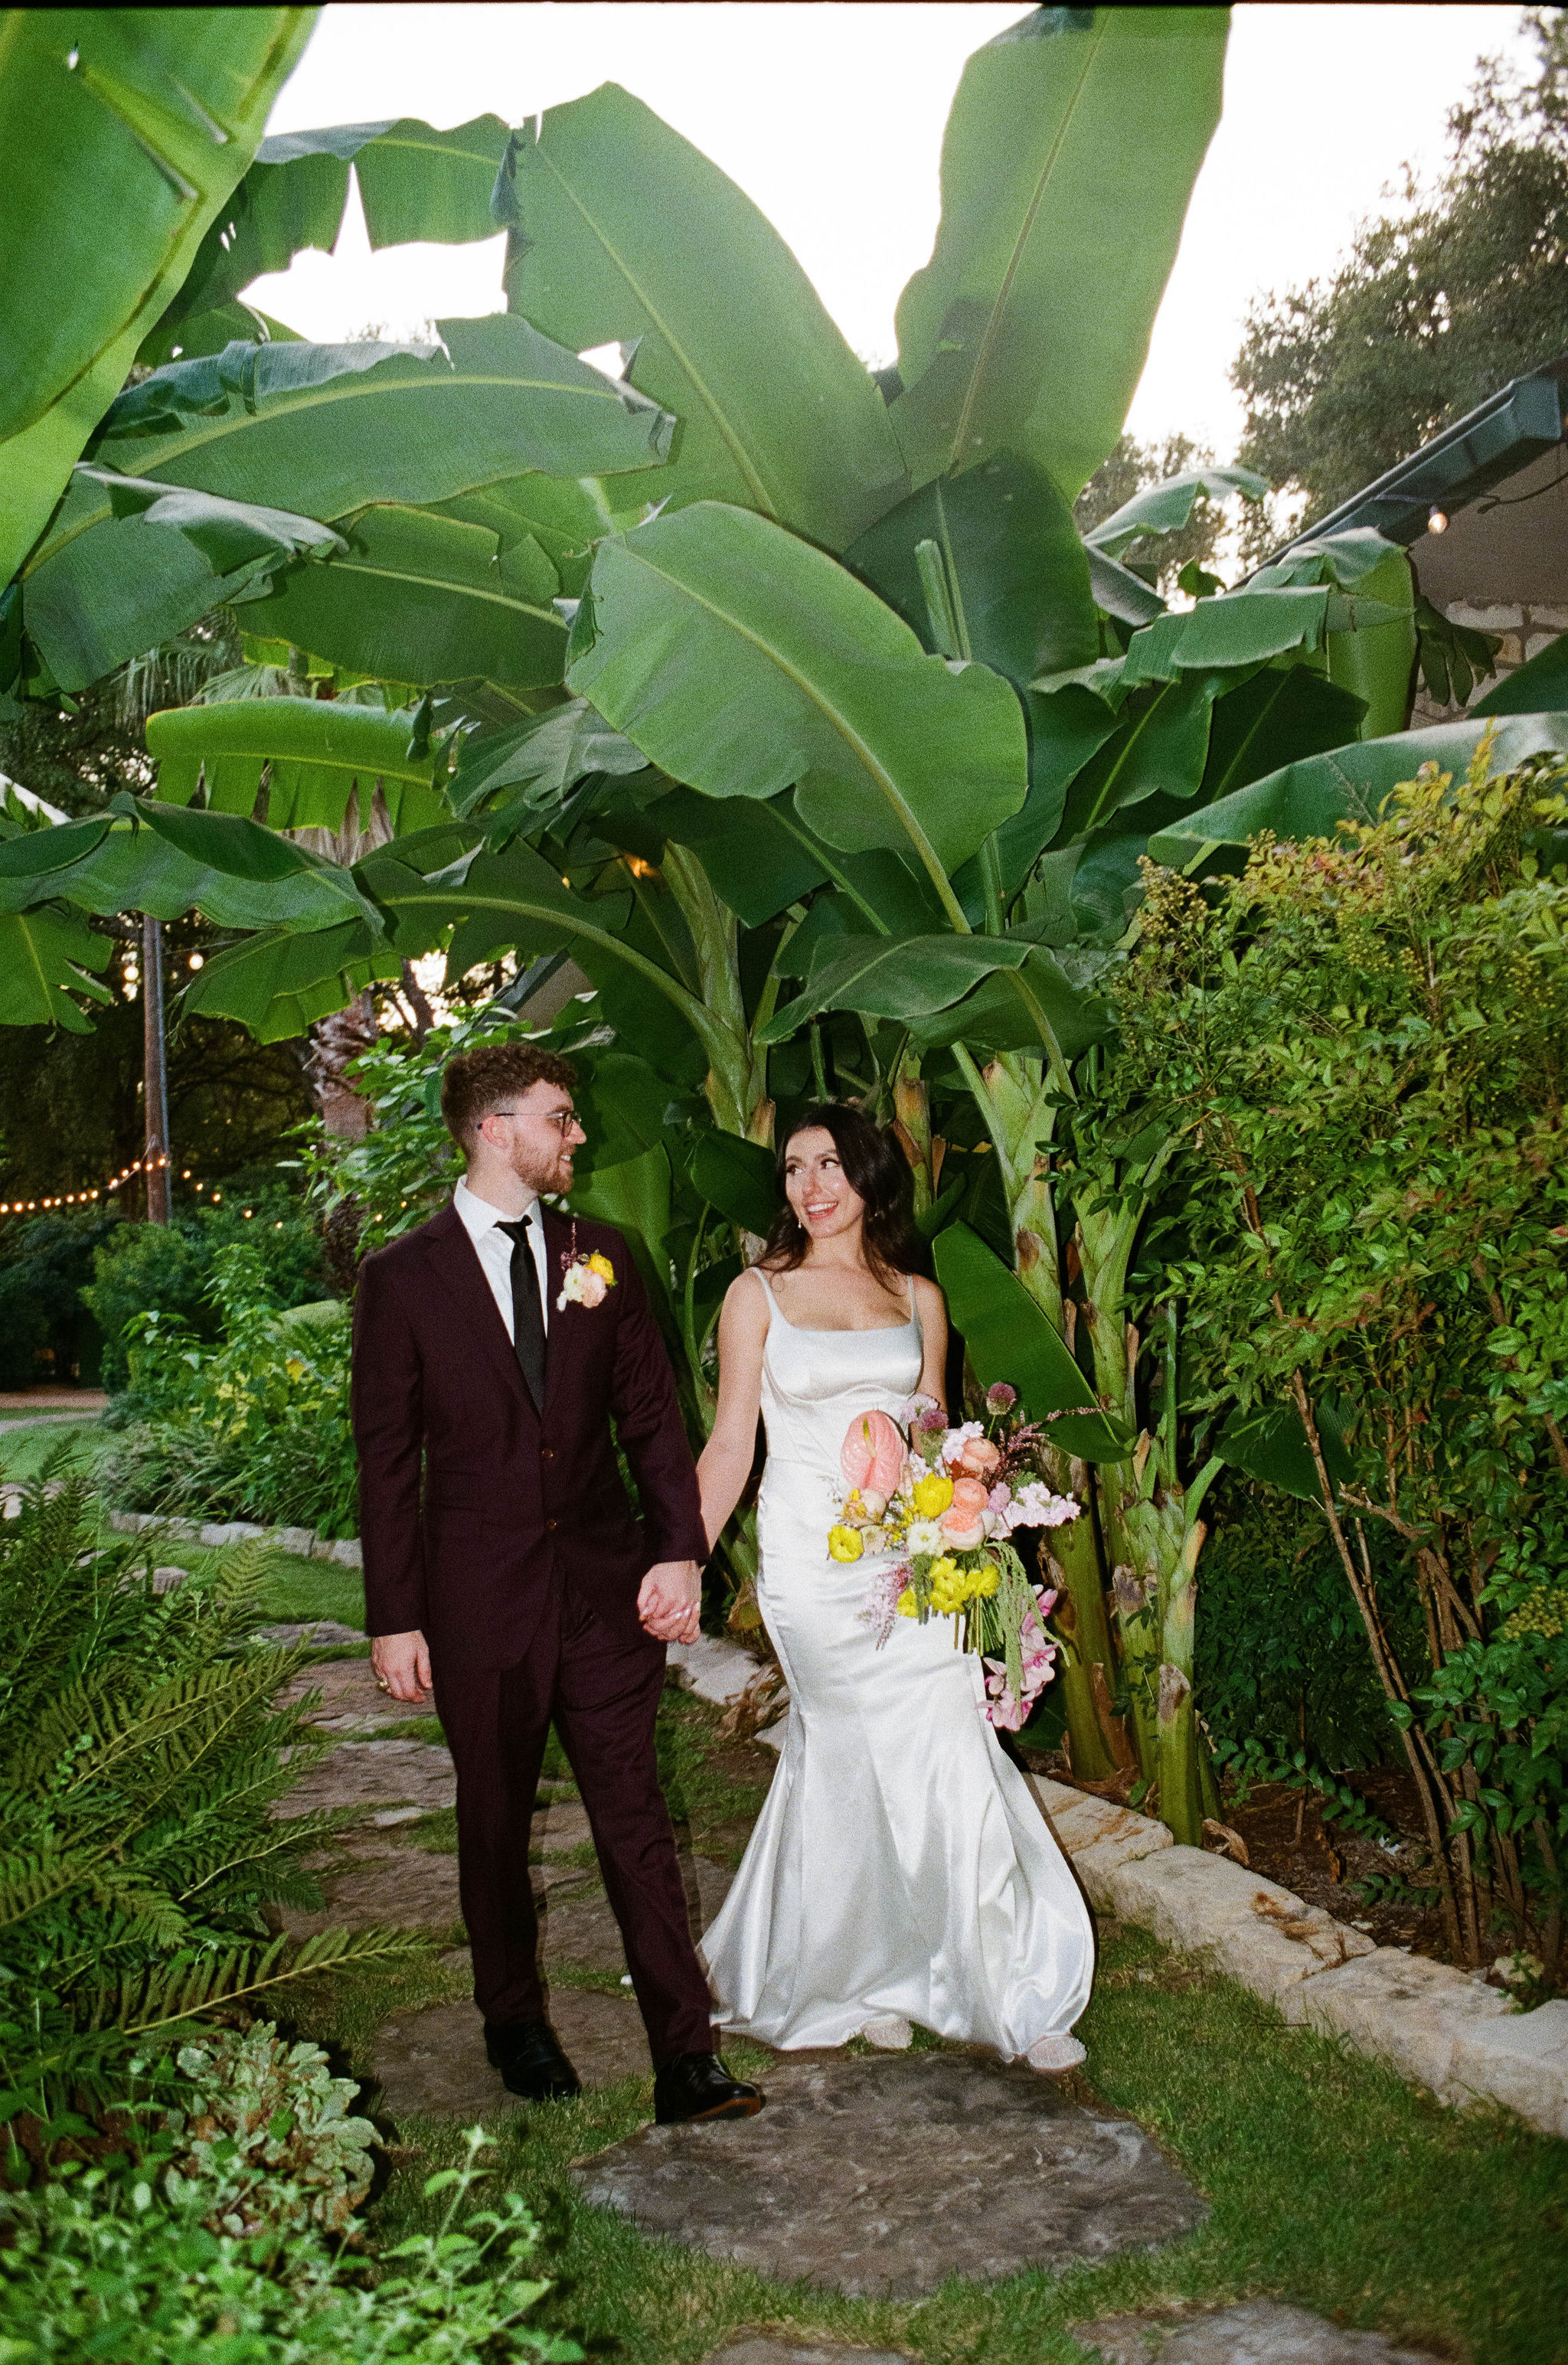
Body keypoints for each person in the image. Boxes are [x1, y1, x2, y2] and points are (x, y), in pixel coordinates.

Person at [351, 1042, 763, 2125]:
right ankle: (515, 2022)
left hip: (602, 1590)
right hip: (476, 1598)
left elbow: (652, 1423)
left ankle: (686, 2056)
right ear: (496, 1129)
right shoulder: (400, 1280)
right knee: (491, 1819)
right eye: (559, 1117)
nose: (576, 1135)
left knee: (635, 1815)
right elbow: (387, 1463)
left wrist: (677, 1548)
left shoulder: (607, 1256)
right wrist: (395, 1618)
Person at [697, 1102, 1093, 2067]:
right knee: (845, 1754)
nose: (810, 1186)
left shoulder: (919, 1296)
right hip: (809, 1565)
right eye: (793, 1169)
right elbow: (729, 1442)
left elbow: (933, 1438)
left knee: (947, 1744)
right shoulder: (756, 1293)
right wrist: (682, 1558)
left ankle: (1008, 1990)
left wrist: (977, 1534)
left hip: (913, 1561)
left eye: (829, 1163)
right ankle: (860, 1971)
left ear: (870, 1174)